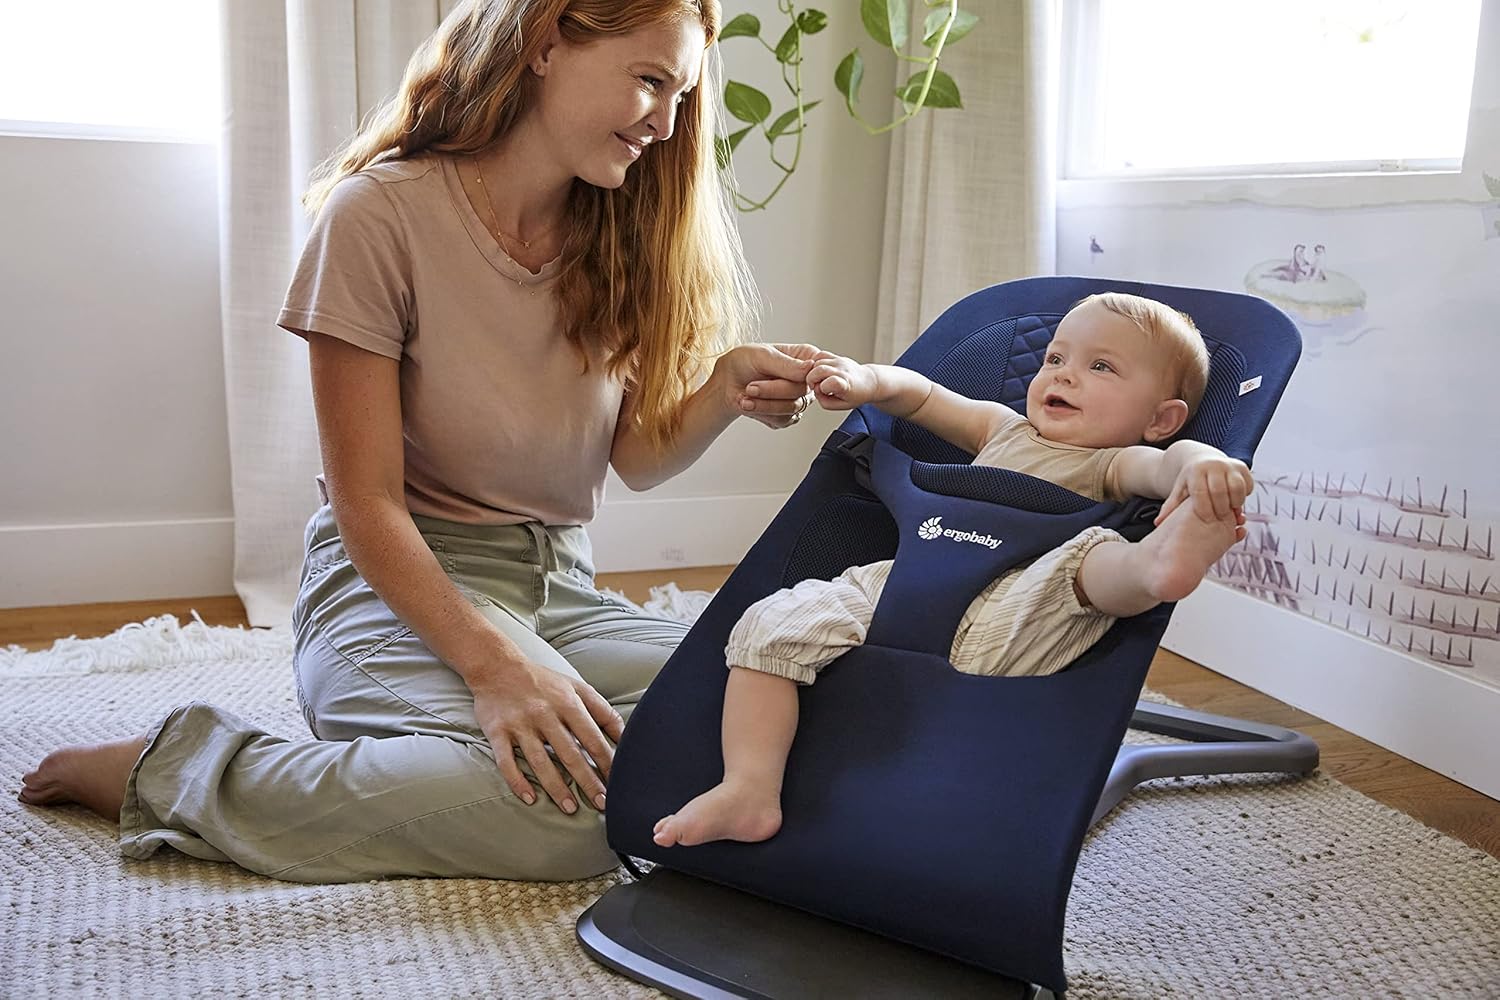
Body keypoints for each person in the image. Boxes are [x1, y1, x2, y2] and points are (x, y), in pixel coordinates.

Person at [19, 0, 825, 883]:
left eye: (681, 96)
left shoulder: (620, 231)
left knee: (774, 707)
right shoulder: (379, 217)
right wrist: (496, 668)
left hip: (560, 586)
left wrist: (722, 391)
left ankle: (433, 757)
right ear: (547, 43)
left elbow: (632, 457)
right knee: (566, 812)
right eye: (649, 80)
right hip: (395, 589)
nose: (666, 124)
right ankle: (183, 768)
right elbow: (365, 504)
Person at [653, 291, 1254, 848]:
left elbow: (1169, 466)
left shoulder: (1117, 463)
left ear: (1160, 420)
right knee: (768, 625)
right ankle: (749, 788)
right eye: (1055, 357)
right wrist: (865, 380)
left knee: (1090, 556)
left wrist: (1202, 466)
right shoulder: (1001, 428)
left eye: (1101, 367)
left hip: (1016, 601)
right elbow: (919, 396)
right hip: (911, 579)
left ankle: (1156, 567)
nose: (1064, 374)